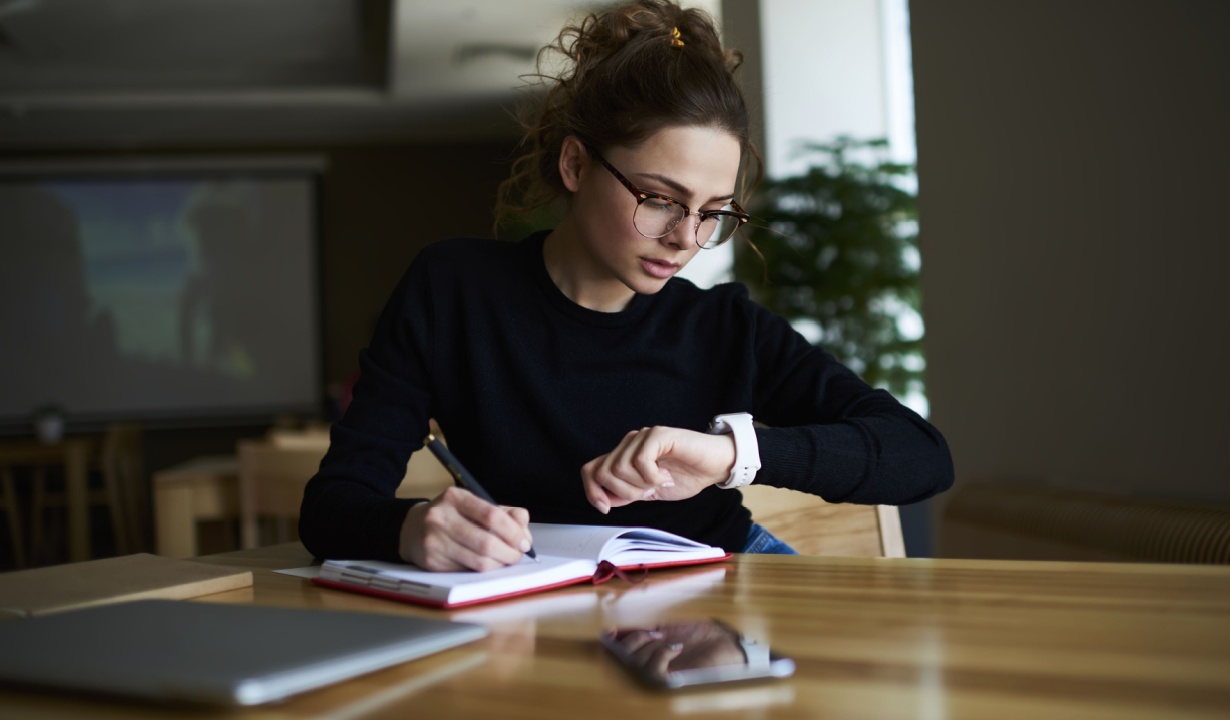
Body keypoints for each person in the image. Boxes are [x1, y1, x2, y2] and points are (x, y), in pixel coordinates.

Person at [299, 0, 953, 572]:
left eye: (712, 211)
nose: (686, 238)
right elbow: (332, 508)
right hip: (539, 592)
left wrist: (731, 454)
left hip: (724, 583)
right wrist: (412, 529)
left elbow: (921, 456)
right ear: (576, 163)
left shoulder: (725, 327)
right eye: (660, 199)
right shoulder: (453, 291)